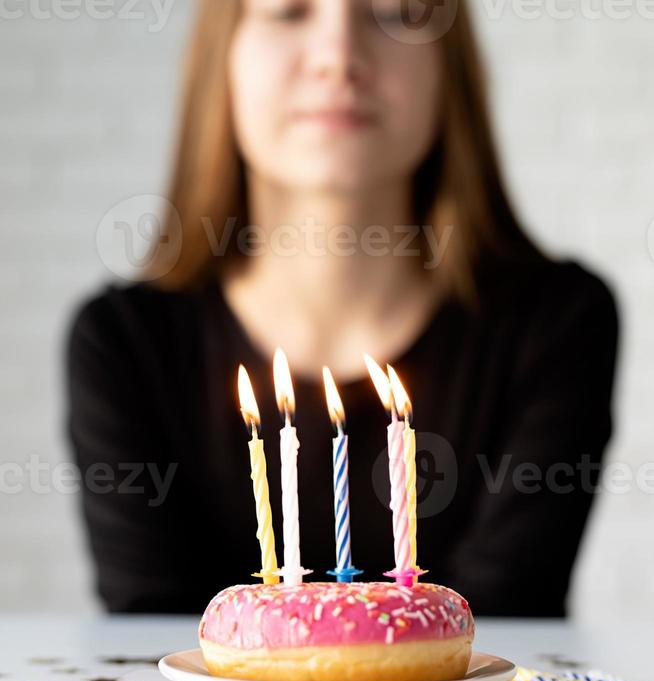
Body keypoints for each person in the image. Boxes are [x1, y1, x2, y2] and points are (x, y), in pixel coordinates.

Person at [65, 0, 619, 616]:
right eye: (287, 11)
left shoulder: (556, 325)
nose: (339, 58)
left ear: (449, 63)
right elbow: (151, 640)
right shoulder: (126, 342)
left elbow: (499, 634)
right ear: (222, 56)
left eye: (395, 12)